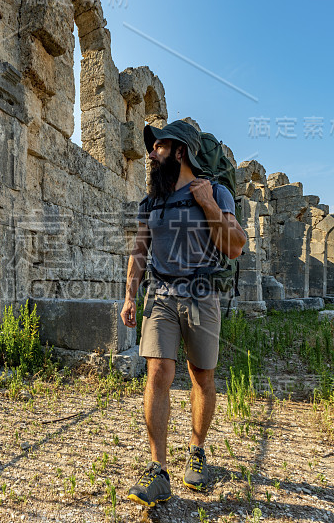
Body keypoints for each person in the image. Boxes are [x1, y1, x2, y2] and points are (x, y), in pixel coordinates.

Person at [120, 120, 246, 506]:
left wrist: (208, 203)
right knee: (157, 373)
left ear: (180, 151)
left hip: (202, 295)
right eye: (151, 147)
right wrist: (129, 296)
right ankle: (158, 469)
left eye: (159, 147)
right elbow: (139, 251)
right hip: (160, 295)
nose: (151, 154)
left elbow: (236, 246)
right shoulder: (152, 201)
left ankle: (197, 448)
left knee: (201, 376)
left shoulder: (216, 192)